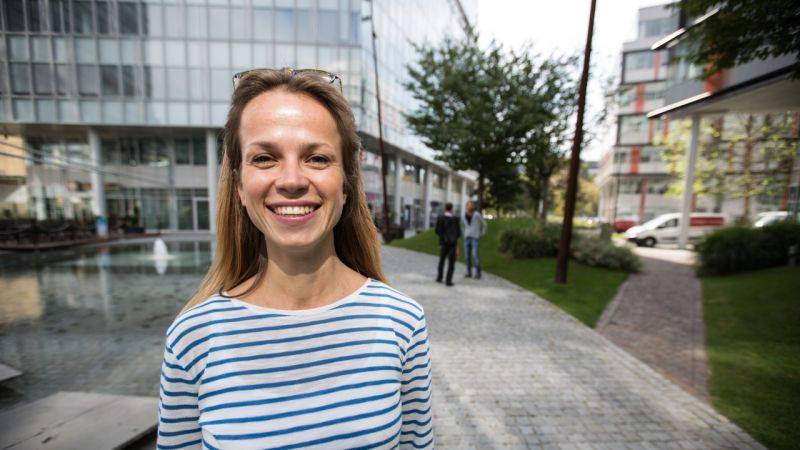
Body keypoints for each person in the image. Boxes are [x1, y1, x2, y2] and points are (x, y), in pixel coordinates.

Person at [157, 69, 433, 449]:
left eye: (317, 158)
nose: (291, 180)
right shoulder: (192, 337)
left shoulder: (402, 323)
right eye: (265, 158)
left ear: (347, 183)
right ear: (239, 186)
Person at [434, 203, 460, 286]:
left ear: (445, 208)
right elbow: (458, 233)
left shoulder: (440, 218)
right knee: (451, 263)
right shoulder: (455, 219)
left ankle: (439, 277)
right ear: (452, 209)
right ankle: (448, 280)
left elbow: (437, 231)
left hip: (443, 243)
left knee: (442, 261)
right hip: (453, 243)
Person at [461, 200, 487, 279]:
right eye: (468, 205)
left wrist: (482, 234)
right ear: (466, 206)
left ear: (473, 206)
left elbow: (485, 224)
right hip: (467, 238)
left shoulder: (477, 214)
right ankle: (469, 272)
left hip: (475, 238)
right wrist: (464, 233)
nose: (470, 206)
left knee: (475, 255)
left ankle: (478, 272)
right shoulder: (463, 215)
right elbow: (462, 226)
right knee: (467, 256)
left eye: (471, 205)